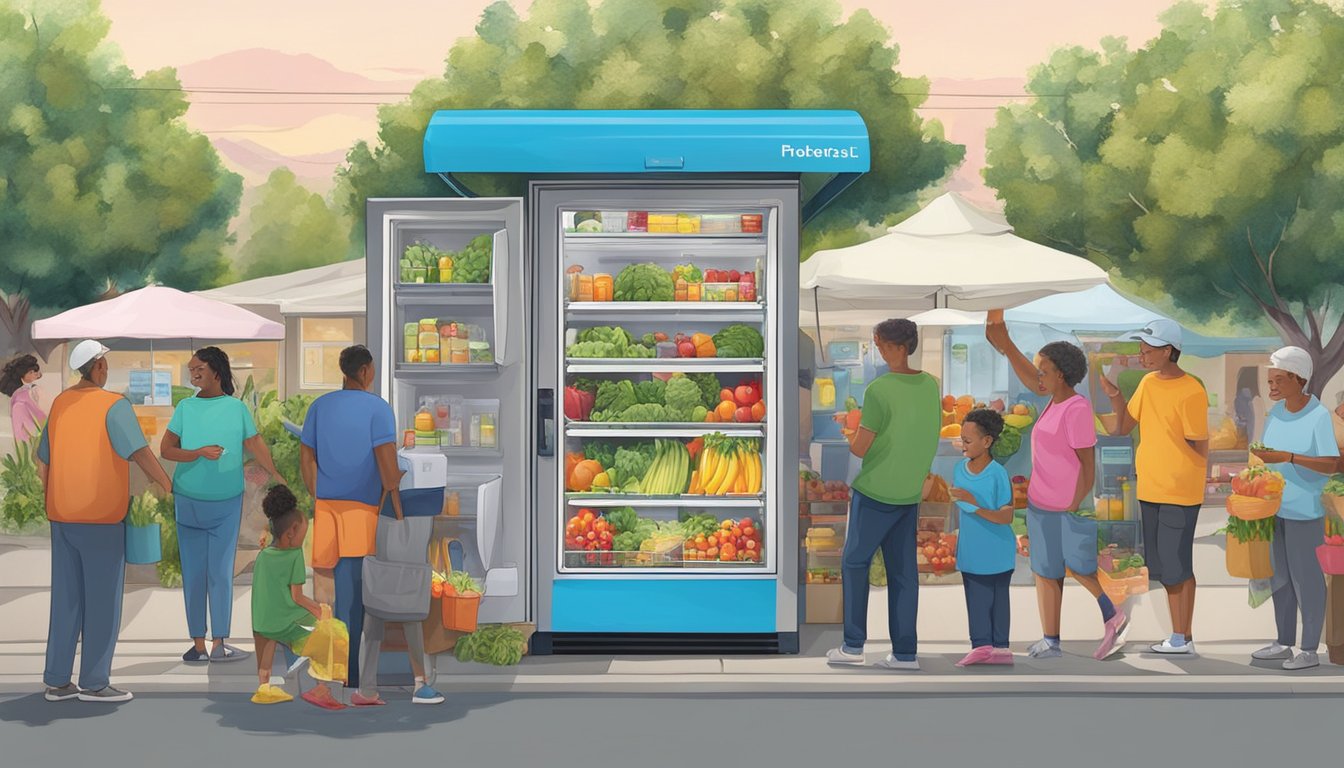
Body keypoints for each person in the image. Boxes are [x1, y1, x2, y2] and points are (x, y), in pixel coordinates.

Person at [35, 340, 173, 703]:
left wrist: (53, 493)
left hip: (62, 516)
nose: (106, 369)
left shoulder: (61, 404)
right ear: (97, 368)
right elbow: (140, 452)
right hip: (100, 518)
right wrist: (166, 481)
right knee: (102, 601)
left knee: (66, 599)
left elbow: (42, 460)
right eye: (104, 363)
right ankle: (95, 683)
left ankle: (57, 680)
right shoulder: (114, 405)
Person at [985, 311, 1129, 660]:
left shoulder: (1076, 409)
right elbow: (1031, 379)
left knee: (1079, 567)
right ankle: (1051, 639)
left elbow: (1087, 465)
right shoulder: (1052, 401)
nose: (1039, 377)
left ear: (1061, 375)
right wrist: (1006, 345)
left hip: (1068, 506)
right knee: (1045, 573)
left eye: (1044, 371)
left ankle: (1111, 612)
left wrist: (1075, 502)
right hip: (1040, 503)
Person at [826, 319, 940, 671]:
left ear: (900, 348)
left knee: (854, 563)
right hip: (908, 493)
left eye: (882, 345)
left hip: (875, 491)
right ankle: (905, 653)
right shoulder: (930, 386)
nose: (880, 351)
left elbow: (861, 449)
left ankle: (853, 645)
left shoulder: (878, 389)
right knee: (904, 574)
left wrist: (848, 430)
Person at [160, 347, 284, 663]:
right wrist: (198, 452)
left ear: (216, 370)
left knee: (219, 573)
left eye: (198, 368)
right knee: (195, 573)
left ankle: (218, 643)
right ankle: (199, 644)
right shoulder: (185, 407)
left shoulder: (236, 408)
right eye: (191, 370)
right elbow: (167, 450)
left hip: (225, 502)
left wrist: (274, 473)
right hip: (188, 499)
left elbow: (255, 444)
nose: (193, 375)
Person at [1098, 319, 1209, 655]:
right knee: (1164, 568)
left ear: (1168, 351)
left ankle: (1182, 639)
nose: (1142, 355)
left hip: (1178, 492)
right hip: (1150, 489)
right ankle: (1181, 637)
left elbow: (1201, 447)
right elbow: (1123, 426)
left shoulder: (1192, 390)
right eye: (1141, 350)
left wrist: (1176, 465)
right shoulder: (1147, 383)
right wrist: (1115, 394)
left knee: (1178, 567)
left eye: (1148, 350)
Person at [300, 345, 404, 696]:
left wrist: (321, 492)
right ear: (364, 372)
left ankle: (331, 672)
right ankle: (354, 676)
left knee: (329, 595)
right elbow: (387, 465)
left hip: (327, 507)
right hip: (361, 510)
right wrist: (396, 483)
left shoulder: (320, 407)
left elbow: (307, 457)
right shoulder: (378, 409)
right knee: (359, 597)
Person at [1249, 347, 1338, 671]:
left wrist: (1288, 458)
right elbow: (1267, 453)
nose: (1271, 386)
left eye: (1278, 380)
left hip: (1305, 512)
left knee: (1307, 581)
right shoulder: (1277, 413)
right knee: (1280, 579)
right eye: (1269, 380)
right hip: (1275, 509)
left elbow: (1330, 464)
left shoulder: (1318, 417)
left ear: (1298, 379)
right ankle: (1284, 642)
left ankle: (1310, 649)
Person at [251, 485, 341, 708]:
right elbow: (297, 597)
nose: (304, 536)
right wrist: (319, 610)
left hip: (261, 620)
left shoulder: (263, 556)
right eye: (303, 532)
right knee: (330, 632)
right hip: (285, 620)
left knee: (266, 649)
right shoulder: (293, 556)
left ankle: (263, 688)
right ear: (291, 532)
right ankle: (321, 687)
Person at [950, 408, 1016, 667]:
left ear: (987, 441)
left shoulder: (998, 473)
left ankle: (999, 648)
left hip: (998, 548)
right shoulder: (959, 469)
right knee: (977, 600)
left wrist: (974, 503)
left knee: (999, 601)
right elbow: (961, 503)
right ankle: (981, 645)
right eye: (962, 440)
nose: (963, 445)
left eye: (968, 441)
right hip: (972, 550)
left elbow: (1006, 515)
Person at [1, 354, 46, 446]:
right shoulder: (21, 396)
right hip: (28, 440)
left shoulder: (28, 391)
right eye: (31, 372)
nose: (36, 374)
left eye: (35, 371)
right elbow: (37, 417)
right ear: (22, 374)